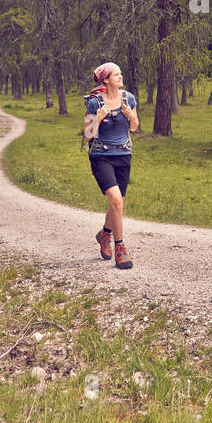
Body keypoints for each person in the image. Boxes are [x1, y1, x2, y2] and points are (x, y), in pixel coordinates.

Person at [83, 61, 138, 269]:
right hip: (101, 155)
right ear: (106, 80)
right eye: (116, 74)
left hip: (123, 154)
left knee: (118, 203)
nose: (121, 77)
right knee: (115, 200)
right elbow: (87, 136)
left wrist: (131, 115)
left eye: (121, 74)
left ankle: (105, 234)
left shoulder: (129, 98)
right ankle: (120, 249)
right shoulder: (95, 103)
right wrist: (97, 117)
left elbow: (134, 127)